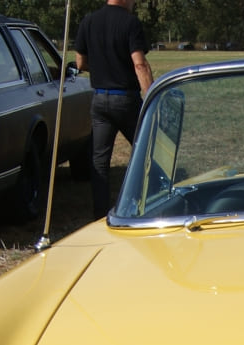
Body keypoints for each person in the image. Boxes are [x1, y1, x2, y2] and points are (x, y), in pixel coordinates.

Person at [74, 0, 153, 218]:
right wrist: (152, 96)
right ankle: (147, 204)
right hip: (126, 99)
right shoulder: (130, 23)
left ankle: (99, 213)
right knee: (148, 151)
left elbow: (80, 62)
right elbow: (139, 63)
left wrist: (101, 67)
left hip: (99, 99)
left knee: (99, 161)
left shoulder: (89, 21)